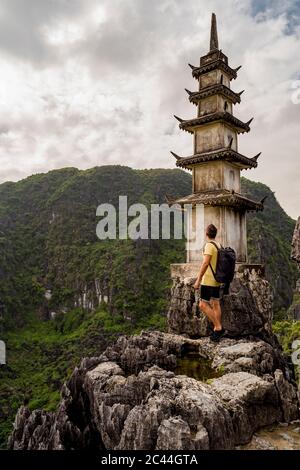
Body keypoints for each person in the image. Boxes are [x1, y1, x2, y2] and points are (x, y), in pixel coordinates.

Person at [193, 224, 225, 342]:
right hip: (217, 279)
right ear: (215, 234)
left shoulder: (208, 246)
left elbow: (206, 263)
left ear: (206, 234)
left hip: (208, 280)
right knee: (216, 303)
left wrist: (198, 279)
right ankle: (218, 330)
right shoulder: (218, 245)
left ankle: (218, 327)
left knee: (202, 305)